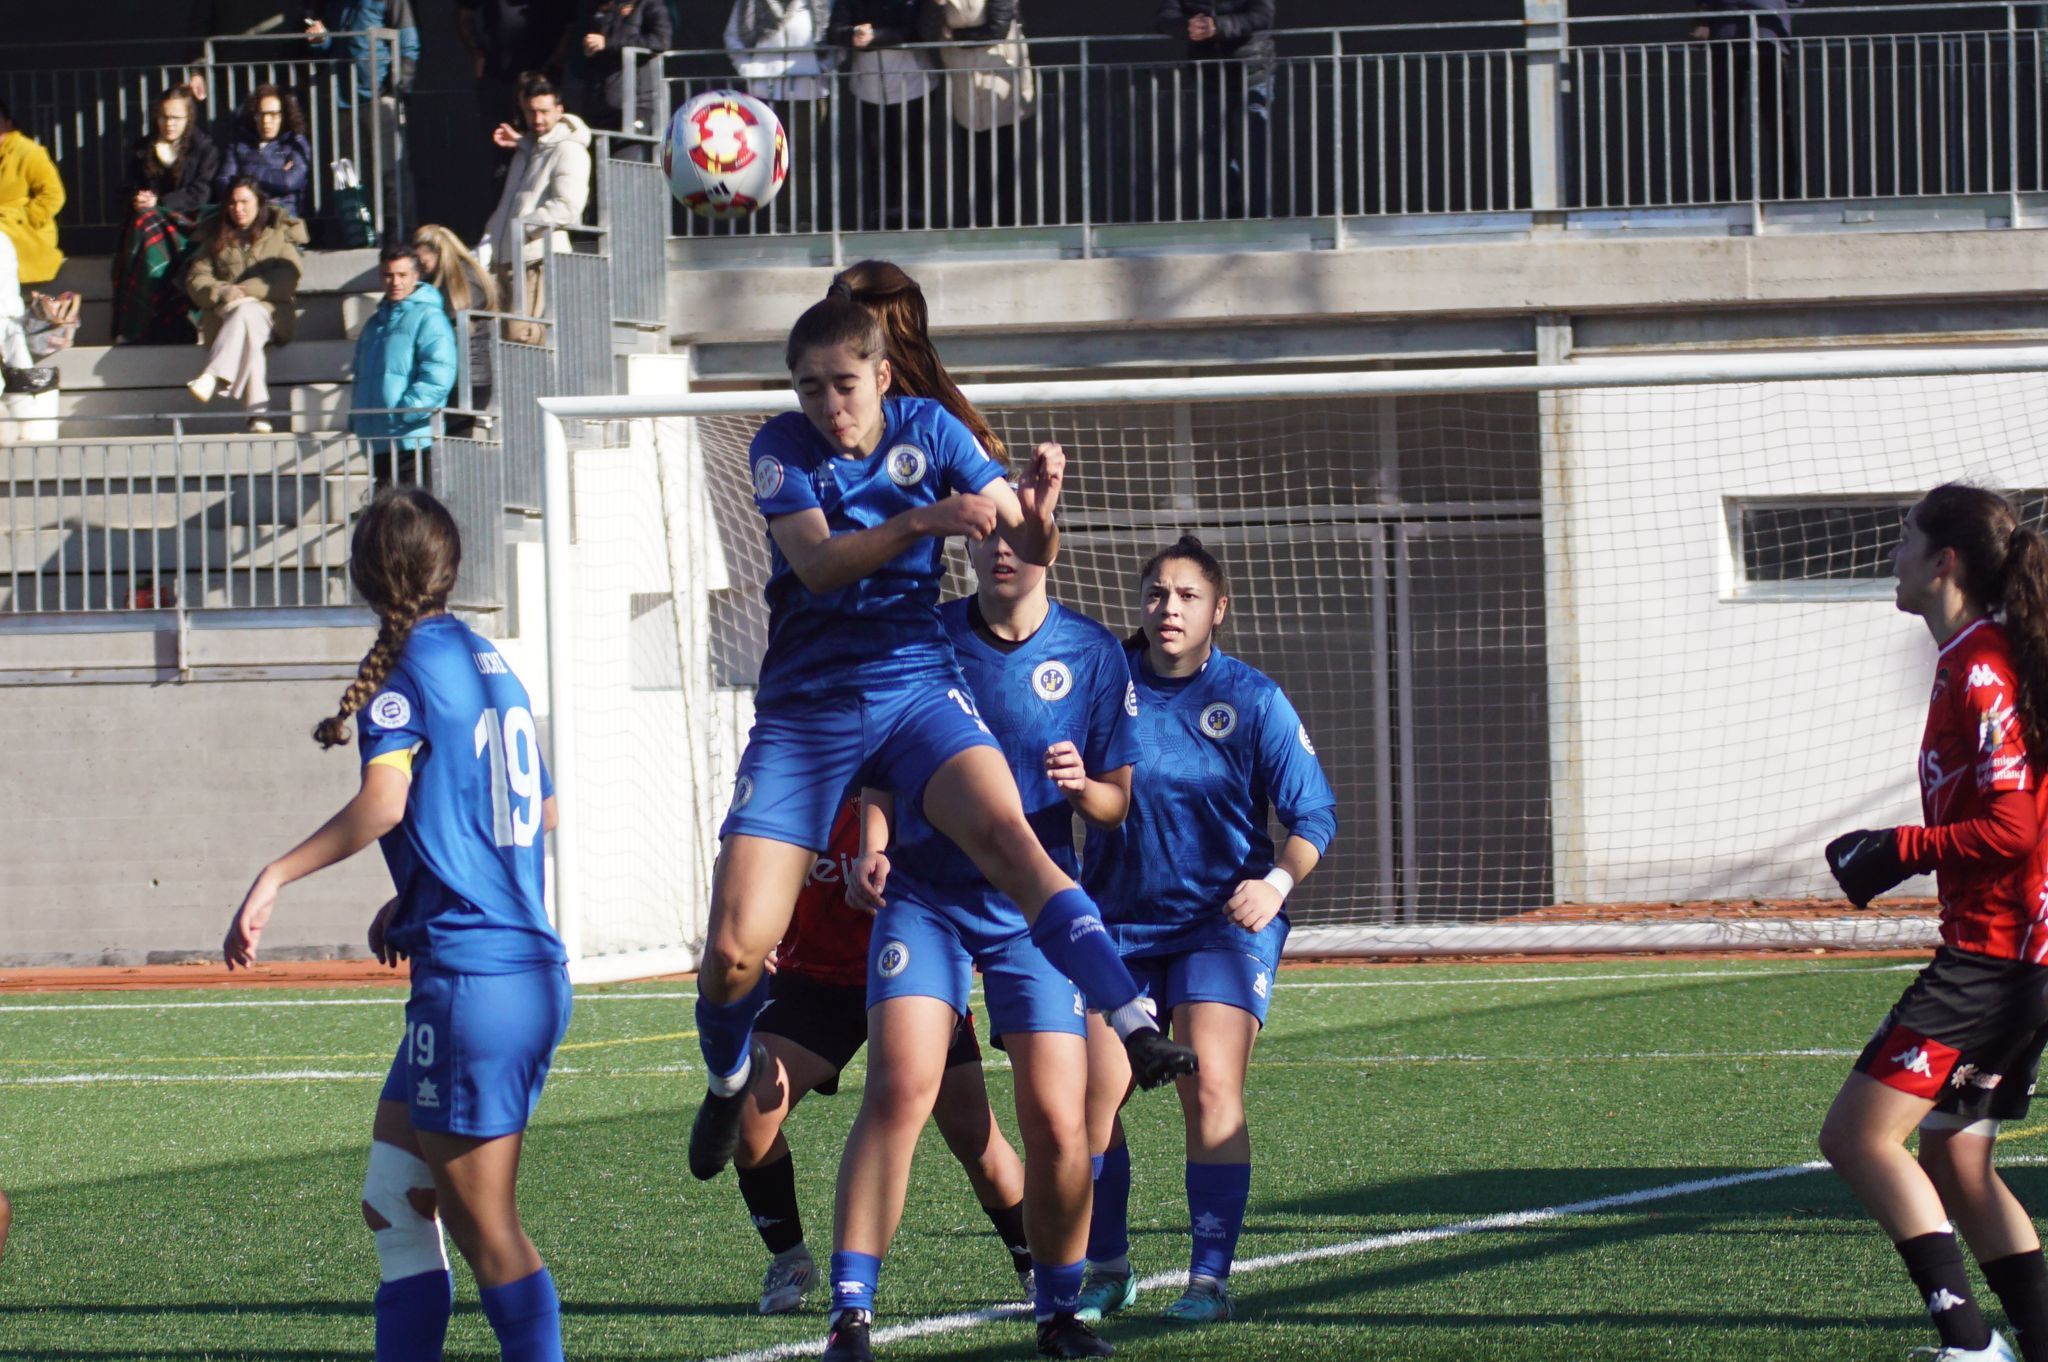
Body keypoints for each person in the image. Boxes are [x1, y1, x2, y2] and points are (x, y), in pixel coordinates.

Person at [683, 275, 1197, 1193]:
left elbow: (1025, 547)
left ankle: (1131, 1020)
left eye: (845, 382)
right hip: (807, 710)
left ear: (883, 374)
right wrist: (924, 518)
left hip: (916, 688)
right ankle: (727, 1077)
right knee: (731, 957)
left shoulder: (932, 428)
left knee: (1011, 838)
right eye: (810, 386)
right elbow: (816, 563)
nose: (829, 405)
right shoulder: (779, 447)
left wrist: (1038, 514)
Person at [224, 486, 571, 1362]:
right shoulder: (492, 660)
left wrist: (275, 875)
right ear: (449, 567)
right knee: (395, 1199)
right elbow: (543, 811)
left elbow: (384, 803)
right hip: (508, 970)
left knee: (489, 1232)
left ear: (363, 576)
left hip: (474, 983)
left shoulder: (410, 669)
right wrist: (417, 892)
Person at [825, 523, 1141, 1362]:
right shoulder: (928, 640)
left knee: (1056, 1117)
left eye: (1021, 538)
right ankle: (850, 1313)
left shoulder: (1095, 654)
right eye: (989, 537)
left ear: (1054, 545)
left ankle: (1060, 1310)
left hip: (1032, 915)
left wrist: (1085, 791)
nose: (1004, 551)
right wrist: (874, 843)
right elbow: (884, 769)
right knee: (899, 1089)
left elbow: (1117, 799)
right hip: (926, 898)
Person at [1077, 535, 1337, 1327]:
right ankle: (1108, 1269)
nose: (1169, 609)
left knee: (1209, 1088)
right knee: (1086, 1100)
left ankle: (1209, 1278)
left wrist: (1276, 882)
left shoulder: (1253, 699)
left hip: (1221, 928)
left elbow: (1313, 815)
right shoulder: (1103, 691)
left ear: (1218, 609)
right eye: (1157, 594)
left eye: (1187, 596)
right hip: (1115, 927)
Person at [1817, 484, 2048, 1362]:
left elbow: (2014, 825)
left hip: (1994, 962)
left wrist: (1898, 847)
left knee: (1859, 1138)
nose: (1895, 554)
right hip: (2017, 958)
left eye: (1905, 538)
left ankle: (1968, 1344)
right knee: (1956, 1159)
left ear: (1942, 561)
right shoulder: (1978, 656)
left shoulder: (1982, 664)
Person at [733, 796, 1039, 1317]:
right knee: (747, 1112)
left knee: (976, 1138)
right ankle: (790, 1257)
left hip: (913, 975)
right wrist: (746, 919)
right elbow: (741, 859)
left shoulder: (913, 772)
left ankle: (1035, 1261)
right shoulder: (792, 773)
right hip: (814, 983)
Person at [184, 178, 306, 433]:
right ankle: (259, 415)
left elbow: (289, 276)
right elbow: (197, 278)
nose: (238, 209)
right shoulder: (216, 237)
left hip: (273, 316)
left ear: (258, 204)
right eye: (232, 203)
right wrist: (222, 291)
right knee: (248, 329)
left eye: (244, 202)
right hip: (227, 316)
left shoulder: (277, 235)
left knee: (248, 311)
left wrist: (248, 291)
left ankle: (213, 374)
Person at [478, 75, 591, 346]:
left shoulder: (569, 151)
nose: (537, 119)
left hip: (536, 261)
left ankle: (542, 389)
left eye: (544, 111)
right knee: (510, 341)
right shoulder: (528, 151)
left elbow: (568, 207)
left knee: (526, 339)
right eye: (531, 111)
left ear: (560, 110)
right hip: (510, 260)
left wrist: (524, 229)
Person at [112, 85, 219, 345]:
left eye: (175, 118)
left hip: (187, 224)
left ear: (188, 118)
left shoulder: (205, 149)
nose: (168, 124)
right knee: (143, 223)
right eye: (163, 117)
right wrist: (137, 199)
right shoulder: (142, 148)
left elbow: (201, 193)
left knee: (146, 224)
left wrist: (159, 202)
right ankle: (135, 325)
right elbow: (126, 189)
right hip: (148, 226)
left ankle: (155, 327)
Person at [304, 0, 421, 235]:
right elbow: (328, 44)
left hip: (381, 98)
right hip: (343, 100)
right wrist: (320, 40)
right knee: (352, 178)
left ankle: (401, 237)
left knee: (391, 174)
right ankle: (362, 236)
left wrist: (397, 90)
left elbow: (409, 44)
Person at [917, 0, 1033, 228]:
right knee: (975, 163)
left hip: (1000, 80)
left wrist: (955, 36)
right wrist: (937, 6)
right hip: (965, 84)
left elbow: (996, 28)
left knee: (1004, 162)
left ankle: (1007, 226)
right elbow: (926, 32)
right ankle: (980, 226)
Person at [1155, 0, 1273, 220]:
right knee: (1215, 149)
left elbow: (1262, 16)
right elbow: (1164, 16)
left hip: (1252, 72)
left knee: (1255, 144)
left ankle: (1258, 215)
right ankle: (1230, 214)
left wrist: (1218, 26)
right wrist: (1186, 26)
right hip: (1209, 78)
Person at [349, 245, 458, 483]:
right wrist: (358, 418)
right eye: (389, 275)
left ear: (416, 276)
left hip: (413, 439)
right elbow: (359, 376)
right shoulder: (373, 325)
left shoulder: (429, 317)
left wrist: (406, 412)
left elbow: (439, 373)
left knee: (414, 515)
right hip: (379, 439)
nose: (395, 282)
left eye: (402, 275)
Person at [725, 0, 837, 227]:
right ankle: (777, 222)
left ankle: (804, 219)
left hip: (809, 90)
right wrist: (749, 69)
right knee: (770, 161)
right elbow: (733, 38)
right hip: (765, 92)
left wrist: (823, 67)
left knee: (805, 160)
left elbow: (835, 39)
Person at [828, 0, 936, 230]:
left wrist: (876, 37)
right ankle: (882, 215)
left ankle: (915, 215)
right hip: (868, 86)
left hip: (913, 84)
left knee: (911, 154)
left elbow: (919, 31)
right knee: (877, 156)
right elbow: (835, 31)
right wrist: (852, 35)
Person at [458, 0, 578, 160]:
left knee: (545, 148)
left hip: (541, 84)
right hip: (496, 79)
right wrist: (476, 52)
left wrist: (555, 63)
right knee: (501, 150)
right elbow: (464, 15)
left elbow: (571, 26)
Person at [411, 224, 497, 412]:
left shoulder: (460, 281)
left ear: (438, 253)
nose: (418, 265)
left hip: (463, 378)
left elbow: (439, 326)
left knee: (454, 439)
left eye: (421, 259)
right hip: (468, 376)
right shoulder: (467, 275)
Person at [582, 0, 671, 151]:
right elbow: (601, 45)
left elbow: (661, 41)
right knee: (599, 167)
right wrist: (590, 48)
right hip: (601, 103)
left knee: (625, 164)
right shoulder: (608, 7)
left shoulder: (651, 5)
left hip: (635, 105)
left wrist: (609, 43)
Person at [216, 86, 315, 220]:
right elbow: (223, 182)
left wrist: (245, 174)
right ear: (254, 116)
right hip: (244, 219)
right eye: (261, 114)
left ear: (284, 116)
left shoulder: (296, 144)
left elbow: (289, 182)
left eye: (273, 114)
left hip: (280, 219)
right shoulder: (239, 145)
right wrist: (275, 175)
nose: (266, 121)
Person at [0, 98, 65, 290]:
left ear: (8, 124)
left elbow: (53, 195)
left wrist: (26, 219)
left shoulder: (28, 152)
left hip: (22, 231)